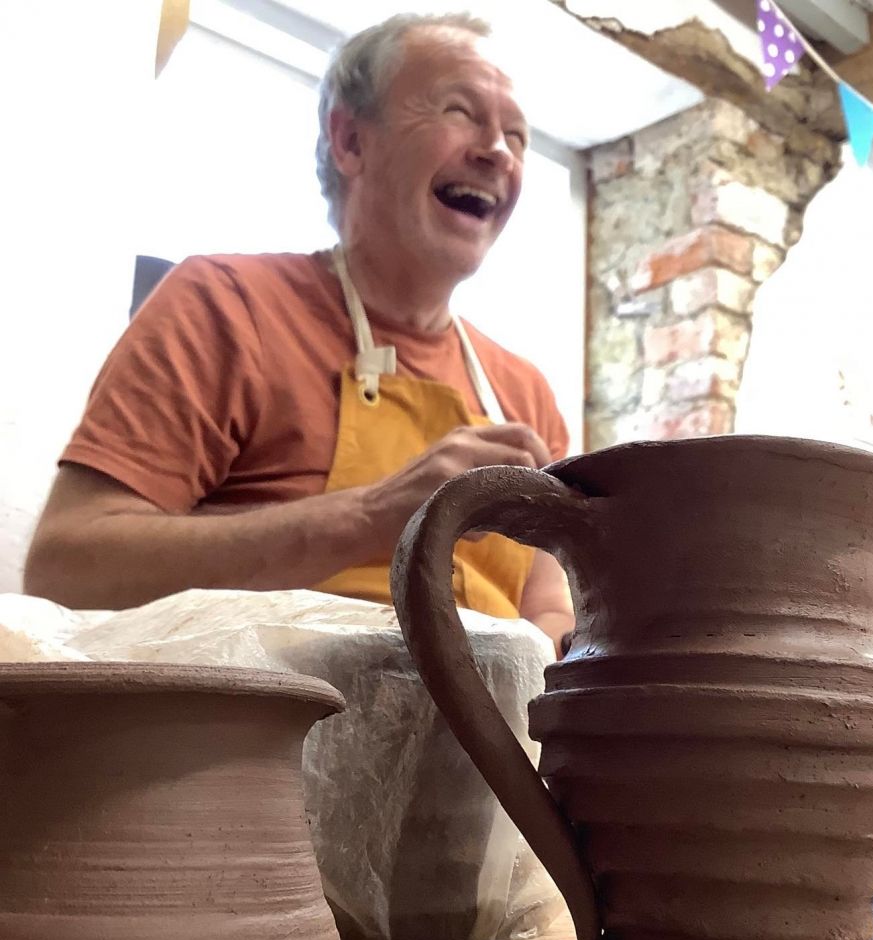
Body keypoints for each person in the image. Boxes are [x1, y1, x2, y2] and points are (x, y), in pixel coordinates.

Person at [23, 13, 575, 654]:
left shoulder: (523, 393)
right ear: (349, 141)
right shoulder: (227, 308)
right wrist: (373, 517)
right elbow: (66, 569)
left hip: (487, 754)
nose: (498, 151)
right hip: (250, 746)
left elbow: (549, 610)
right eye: (460, 111)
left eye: (517, 135)